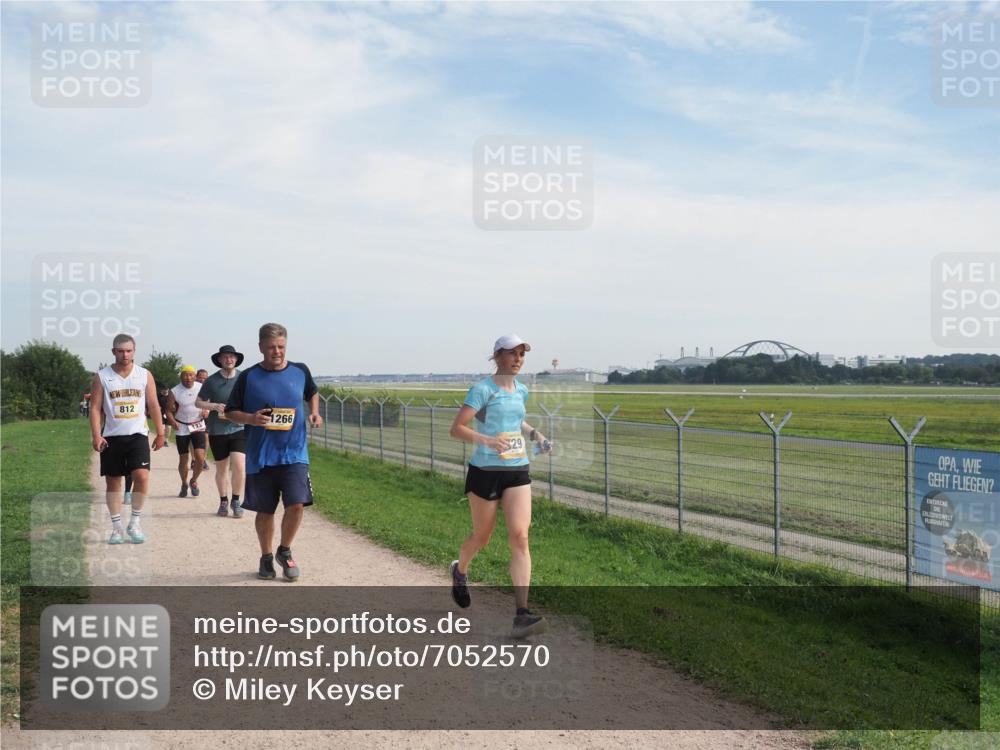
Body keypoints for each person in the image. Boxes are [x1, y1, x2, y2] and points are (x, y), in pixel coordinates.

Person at [449, 334, 551, 638]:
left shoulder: (521, 390)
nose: (518, 359)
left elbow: (516, 420)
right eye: (512, 354)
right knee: (482, 536)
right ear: (497, 356)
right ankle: (460, 570)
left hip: (517, 469)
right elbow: (457, 429)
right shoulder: (482, 390)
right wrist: (487, 441)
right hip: (485, 471)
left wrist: (537, 436)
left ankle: (522, 614)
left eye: (522, 354)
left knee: (520, 536)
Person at [225, 323, 322, 581]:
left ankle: (285, 550)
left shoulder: (300, 371)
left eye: (281, 347)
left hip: (294, 453)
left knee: (297, 504)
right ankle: (266, 557)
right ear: (260, 347)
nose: (276, 352)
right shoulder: (248, 377)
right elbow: (229, 412)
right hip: (261, 456)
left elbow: (313, 392)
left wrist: (314, 412)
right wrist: (251, 418)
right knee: (265, 511)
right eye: (271, 347)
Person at [89, 334, 165, 544]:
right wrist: (96, 435)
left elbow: (154, 404)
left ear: (134, 351)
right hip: (112, 437)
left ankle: (135, 522)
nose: (125, 355)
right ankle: (116, 528)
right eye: (120, 351)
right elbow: (95, 408)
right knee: (113, 483)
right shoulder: (102, 376)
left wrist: (160, 432)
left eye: (129, 350)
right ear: (113, 352)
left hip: (137, 435)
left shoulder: (144, 375)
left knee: (142, 476)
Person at [196, 345, 247, 518]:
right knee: (222, 469)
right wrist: (214, 406)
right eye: (225, 357)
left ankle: (236, 500)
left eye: (232, 356)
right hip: (218, 430)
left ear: (236, 359)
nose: (229, 359)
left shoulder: (243, 378)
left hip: (239, 428)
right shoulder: (211, 381)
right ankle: (223, 501)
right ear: (219, 360)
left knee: (240, 466)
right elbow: (198, 402)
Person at [166, 365, 208, 497]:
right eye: (185, 375)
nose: (188, 378)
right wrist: (172, 421)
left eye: (190, 375)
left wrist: (207, 410)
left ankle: (193, 480)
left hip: (198, 425)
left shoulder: (201, 388)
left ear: (195, 376)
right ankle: (184, 483)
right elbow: (167, 410)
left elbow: (208, 402)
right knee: (183, 459)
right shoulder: (175, 391)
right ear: (181, 377)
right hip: (182, 426)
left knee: (200, 458)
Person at [195, 369, 211, 470]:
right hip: (194, 416)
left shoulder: (209, 387)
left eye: (205, 378)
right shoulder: (192, 387)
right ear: (196, 377)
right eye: (200, 377)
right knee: (194, 438)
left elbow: (211, 400)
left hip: (206, 415)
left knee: (206, 437)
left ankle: (203, 460)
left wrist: (207, 411)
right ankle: (194, 460)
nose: (202, 380)